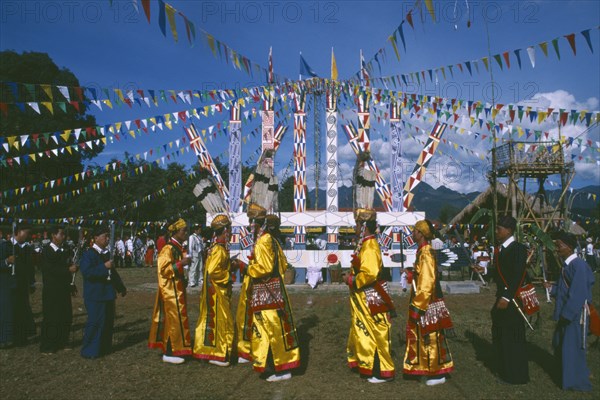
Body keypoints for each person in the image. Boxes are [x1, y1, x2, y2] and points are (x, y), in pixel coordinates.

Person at [245, 209, 300, 381]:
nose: (250, 226)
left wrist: (247, 268)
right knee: (273, 327)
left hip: (268, 291)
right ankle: (277, 365)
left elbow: (266, 268)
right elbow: (282, 265)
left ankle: (281, 368)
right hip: (272, 289)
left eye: (251, 223)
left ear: (257, 224)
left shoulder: (264, 241)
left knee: (272, 328)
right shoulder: (271, 240)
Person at [344, 210, 396, 383]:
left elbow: (370, 273)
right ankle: (367, 363)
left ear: (364, 226)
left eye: (358, 224)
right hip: (364, 296)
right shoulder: (366, 244)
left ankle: (379, 370)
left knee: (375, 331)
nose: (355, 227)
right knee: (364, 330)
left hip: (371, 296)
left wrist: (351, 279)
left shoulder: (370, 246)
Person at [403, 219, 454, 385]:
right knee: (425, 335)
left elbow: (427, 282)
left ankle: (438, 372)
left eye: (415, 231)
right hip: (424, 299)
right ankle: (426, 367)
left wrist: (418, 307)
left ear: (421, 233)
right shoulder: (423, 252)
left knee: (431, 335)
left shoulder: (425, 253)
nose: (412, 233)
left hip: (426, 301)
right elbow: (422, 276)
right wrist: (412, 275)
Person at [544, 231, 595, 392]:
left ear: (569, 247)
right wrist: (551, 288)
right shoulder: (567, 266)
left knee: (572, 347)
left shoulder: (578, 265)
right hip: (566, 314)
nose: (556, 249)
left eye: (559, 245)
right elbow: (563, 288)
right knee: (561, 345)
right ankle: (567, 375)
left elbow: (578, 293)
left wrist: (567, 315)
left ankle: (576, 381)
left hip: (574, 315)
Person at [148, 218, 193, 364]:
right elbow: (164, 270)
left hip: (178, 289)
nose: (185, 233)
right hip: (171, 291)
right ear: (175, 232)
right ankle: (171, 350)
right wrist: (181, 263)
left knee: (177, 320)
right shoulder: (167, 249)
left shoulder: (177, 247)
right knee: (174, 320)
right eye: (183, 230)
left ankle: (177, 349)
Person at [193, 215, 236, 366]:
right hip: (217, 291)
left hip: (214, 290)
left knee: (211, 319)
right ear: (225, 230)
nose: (230, 232)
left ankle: (208, 350)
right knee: (222, 320)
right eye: (229, 229)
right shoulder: (218, 249)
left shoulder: (216, 248)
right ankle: (219, 353)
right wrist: (228, 276)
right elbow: (213, 270)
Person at [491, 215, 529, 384]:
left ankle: (516, 375)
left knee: (512, 337)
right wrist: (483, 271)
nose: (496, 231)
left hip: (512, 300)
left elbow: (518, 275)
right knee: (500, 334)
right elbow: (499, 273)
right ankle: (504, 369)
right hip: (502, 297)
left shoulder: (518, 249)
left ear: (509, 230)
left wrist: (507, 297)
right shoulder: (500, 249)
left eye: (499, 229)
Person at [79, 225, 126, 359]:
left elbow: (113, 273)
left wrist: (120, 287)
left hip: (108, 294)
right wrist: (103, 267)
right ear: (95, 238)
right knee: (95, 322)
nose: (107, 239)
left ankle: (104, 348)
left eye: (108, 236)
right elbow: (88, 273)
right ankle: (90, 351)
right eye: (105, 236)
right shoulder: (88, 254)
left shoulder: (106, 254)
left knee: (107, 323)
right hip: (95, 294)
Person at [39, 225, 78, 354]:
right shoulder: (47, 251)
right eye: (61, 234)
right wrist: (67, 270)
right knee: (51, 317)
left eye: (64, 234)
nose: (63, 237)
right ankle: (47, 346)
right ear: (53, 235)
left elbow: (68, 269)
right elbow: (50, 270)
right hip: (52, 290)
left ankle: (62, 341)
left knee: (65, 316)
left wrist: (72, 284)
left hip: (64, 289)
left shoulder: (64, 251)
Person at [0, 223, 36, 348]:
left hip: (22, 285)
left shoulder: (26, 248)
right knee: (8, 312)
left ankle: (21, 337)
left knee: (22, 311)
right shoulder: (4, 246)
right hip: (7, 285)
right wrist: (6, 261)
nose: (28, 236)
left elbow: (30, 267)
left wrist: (32, 282)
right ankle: (5, 339)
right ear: (18, 231)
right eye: (26, 233)